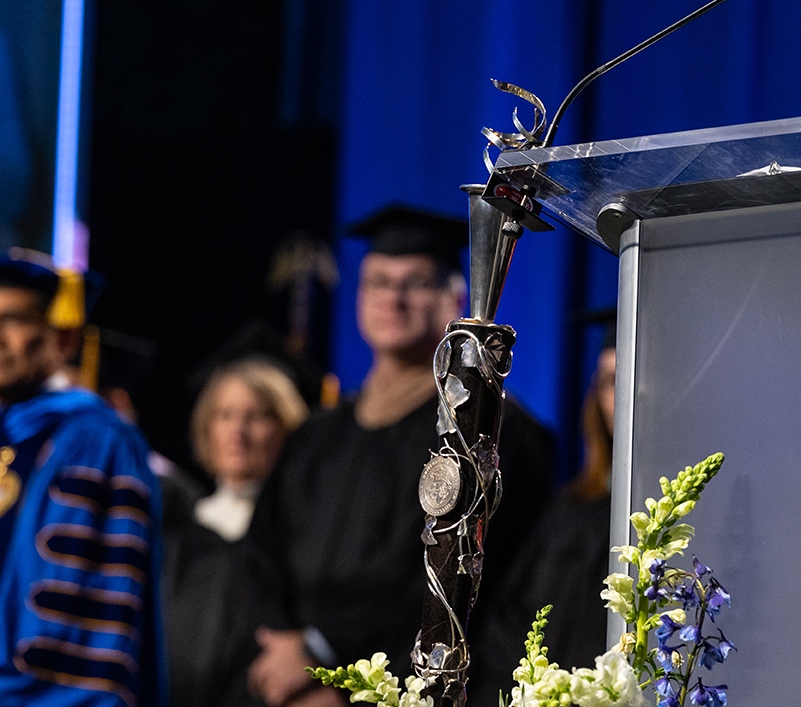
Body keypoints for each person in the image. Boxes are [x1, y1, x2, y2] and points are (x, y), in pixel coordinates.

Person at [246, 205, 556, 707]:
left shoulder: (489, 434)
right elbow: (261, 553)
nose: (393, 298)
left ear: (454, 298)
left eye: (414, 283)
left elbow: (464, 578)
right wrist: (285, 651)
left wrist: (328, 664)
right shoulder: (316, 434)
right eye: (378, 283)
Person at [0, 251, 166, 705]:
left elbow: (85, 606)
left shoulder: (95, 439)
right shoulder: (10, 433)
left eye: (14, 320)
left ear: (65, 337)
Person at [476, 342, 616, 697]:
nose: (625, 398)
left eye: (633, 379)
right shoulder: (567, 511)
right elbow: (507, 622)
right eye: (611, 381)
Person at [166, 358, 308, 706]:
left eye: (258, 416)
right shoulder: (180, 530)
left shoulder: (301, 533)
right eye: (224, 415)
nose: (238, 432)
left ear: (287, 427)